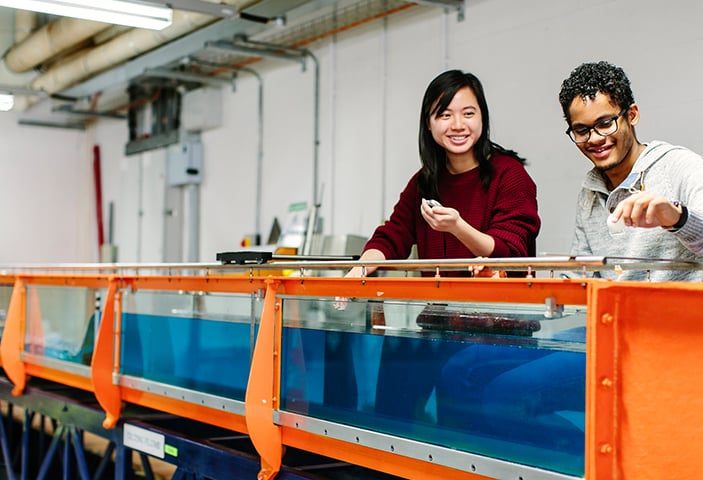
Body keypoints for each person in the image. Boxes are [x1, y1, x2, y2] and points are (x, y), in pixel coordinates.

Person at [344, 69, 541, 423]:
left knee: (461, 425)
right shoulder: (424, 182)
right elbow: (393, 235)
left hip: (495, 333)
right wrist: (361, 267)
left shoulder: (509, 174)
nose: (458, 124)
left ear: (482, 117)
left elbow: (512, 247)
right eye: (444, 114)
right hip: (438, 326)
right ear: (429, 124)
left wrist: (458, 227)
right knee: (396, 389)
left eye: (468, 113)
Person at [560, 61, 703, 280]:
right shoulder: (589, 192)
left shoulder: (679, 166)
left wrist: (677, 218)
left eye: (606, 123)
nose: (595, 138)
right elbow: (582, 276)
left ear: (632, 114)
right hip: (619, 313)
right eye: (581, 130)